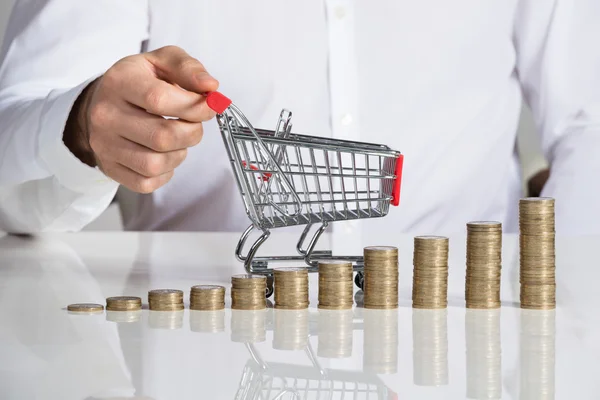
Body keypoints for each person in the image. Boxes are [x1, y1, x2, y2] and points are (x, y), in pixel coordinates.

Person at [0, 1, 599, 242]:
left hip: (468, 346)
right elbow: (11, 168)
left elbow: (588, 123)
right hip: (203, 349)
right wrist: (83, 128)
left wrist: (556, 308)